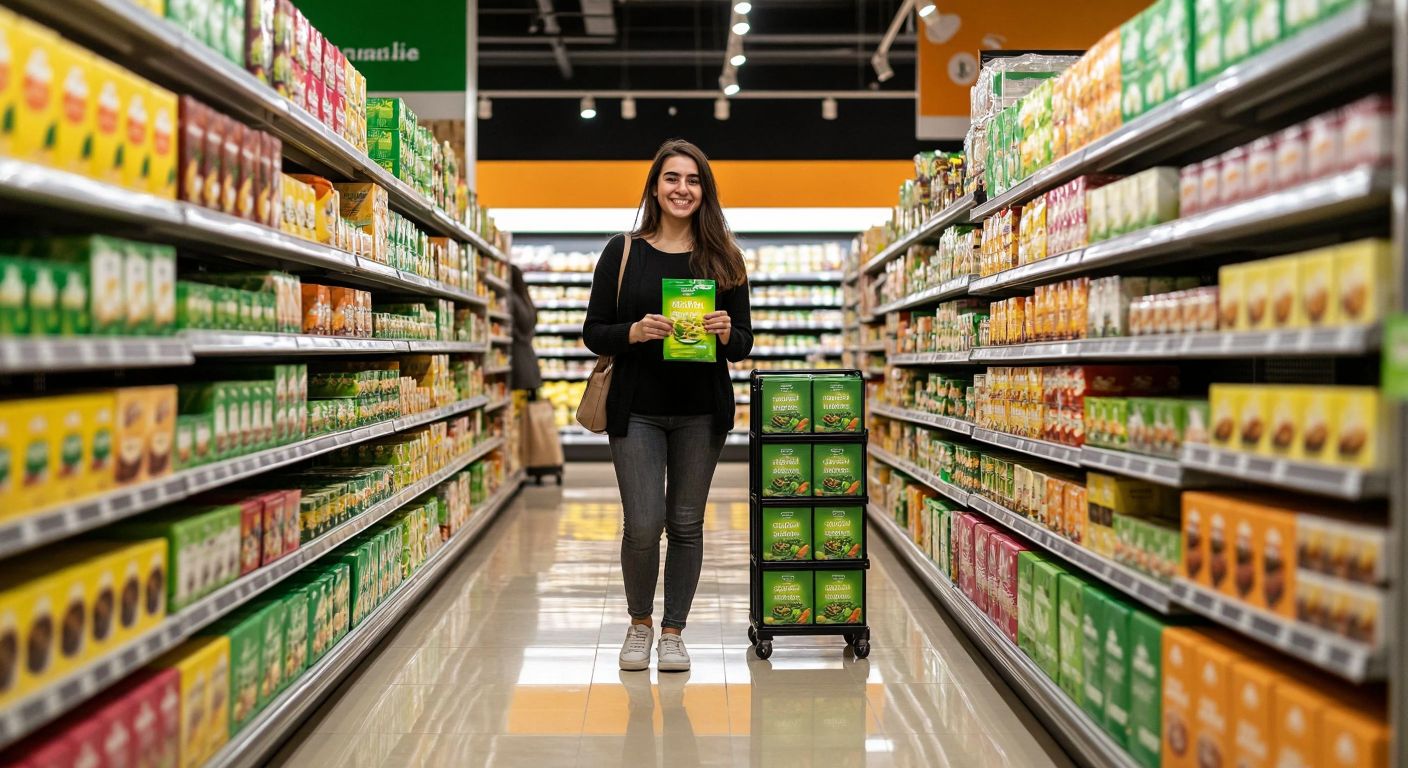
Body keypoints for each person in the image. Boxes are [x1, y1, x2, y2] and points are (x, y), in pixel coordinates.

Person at [582, 139, 753, 672]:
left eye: (693, 180)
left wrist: (728, 332)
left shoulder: (724, 256)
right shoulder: (623, 250)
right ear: (655, 186)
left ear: (705, 191)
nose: (683, 189)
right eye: (673, 179)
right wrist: (632, 331)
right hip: (636, 408)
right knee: (642, 521)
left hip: (701, 409)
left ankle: (674, 630)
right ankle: (639, 624)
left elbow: (746, 341)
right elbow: (593, 332)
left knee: (685, 522)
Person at [508, 264, 543, 392]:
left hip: (516, 360)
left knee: (517, 407)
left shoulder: (511, 298)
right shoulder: (526, 299)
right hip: (530, 358)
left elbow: (511, 328)